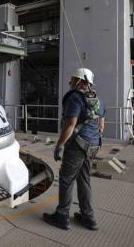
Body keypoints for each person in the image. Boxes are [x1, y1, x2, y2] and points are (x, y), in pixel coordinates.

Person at [43, 68, 105, 231]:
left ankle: (62, 216)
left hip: (77, 146)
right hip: (93, 145)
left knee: (66, 179)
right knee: (84, 179)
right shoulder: (98, 99)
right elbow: (101, 126)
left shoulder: (76, 98)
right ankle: (88, 217)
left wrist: (60, 145)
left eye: (72, 79)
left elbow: (70, 125)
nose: (70, 82)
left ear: (79, 81)